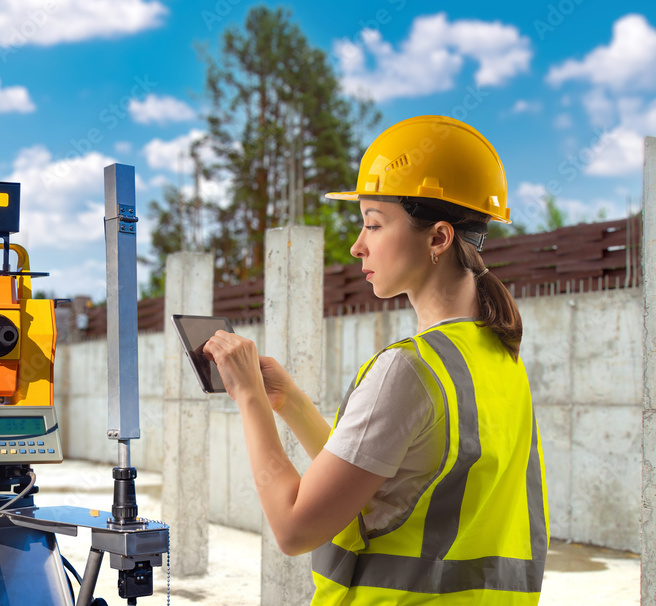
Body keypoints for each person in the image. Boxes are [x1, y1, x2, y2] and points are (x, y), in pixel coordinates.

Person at [202, 115, 549, 605]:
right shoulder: (500, 359)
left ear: (438, 238)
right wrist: (291, 403)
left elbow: (295, 528)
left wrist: (248, 399)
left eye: (373, 224)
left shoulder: (411, 370)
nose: (357, 244)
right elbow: (373, 482)